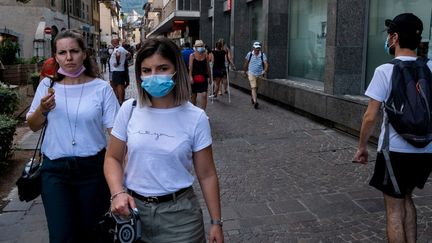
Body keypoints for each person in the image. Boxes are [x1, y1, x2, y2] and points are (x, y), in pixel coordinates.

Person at [104, 37, 224, 243]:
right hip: (133, 212)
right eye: (147, 70)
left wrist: (216, 222)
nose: (154, 76)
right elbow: (112, 158)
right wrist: (117, 193)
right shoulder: (129, 110)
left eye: (162, 68)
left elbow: (207, 174)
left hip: (180, 219)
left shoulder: (196, 118)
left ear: (176, 70)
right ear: (139, 75)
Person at [26, 30, 120, 243]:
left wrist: (122, 179)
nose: (68, 57)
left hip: (93, 171)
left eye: (74, 51)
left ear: (84, 54)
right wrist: (42, 109)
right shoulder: (47, 86)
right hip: (55, 172)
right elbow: (32, 126)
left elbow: (115, 134)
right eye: (62, 52)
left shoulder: (101, 88)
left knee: (94, 235)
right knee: (61, 236)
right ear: (55, 57)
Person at [354, 13, 432, 242]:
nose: (388, 39)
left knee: (394, 209)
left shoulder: (384, 70)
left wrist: (361, 147)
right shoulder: (430, 67)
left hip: (394, 152)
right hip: (426, 151)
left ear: (395, 37)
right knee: (407, 198)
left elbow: (370, 116)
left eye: (389, 35)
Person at [243, 41, 268, 109]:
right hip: (251, 73)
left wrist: (264, 71)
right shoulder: (250, 54)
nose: (257, 49)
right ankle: (255, 102)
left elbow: (266, 63)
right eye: (256, 48)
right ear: (253, 48)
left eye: (258, 48)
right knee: (253, 87)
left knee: (256, 87)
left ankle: (253, 97)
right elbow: (246, 63)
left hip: (259, 74)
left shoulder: (262, 55)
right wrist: (245, 72)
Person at [189, 39, 211, 110]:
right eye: (198, 46)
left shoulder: (206, 55)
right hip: (194, 78)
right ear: (195, 47)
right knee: (193, 96)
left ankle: (203, 112)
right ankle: (194, 111)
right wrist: (190, 77)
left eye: (201, 46)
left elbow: (208, 67)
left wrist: (210, 77)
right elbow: (190, 68)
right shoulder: (192, 56)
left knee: (204, 95)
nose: (200, 47)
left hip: (203, 78)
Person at [109, 38, 130, 105]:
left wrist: (118, 62)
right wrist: (123, 60)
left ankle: (120, 101)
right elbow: (129, 54)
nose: (112, 43)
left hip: (117, 70)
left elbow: (118, 55)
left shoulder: (117, 49)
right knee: (120, 85)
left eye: (112, 42)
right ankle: (121, 99)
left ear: (114, 43)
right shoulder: (122, 48)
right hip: (120, 69)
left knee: (119, 86)